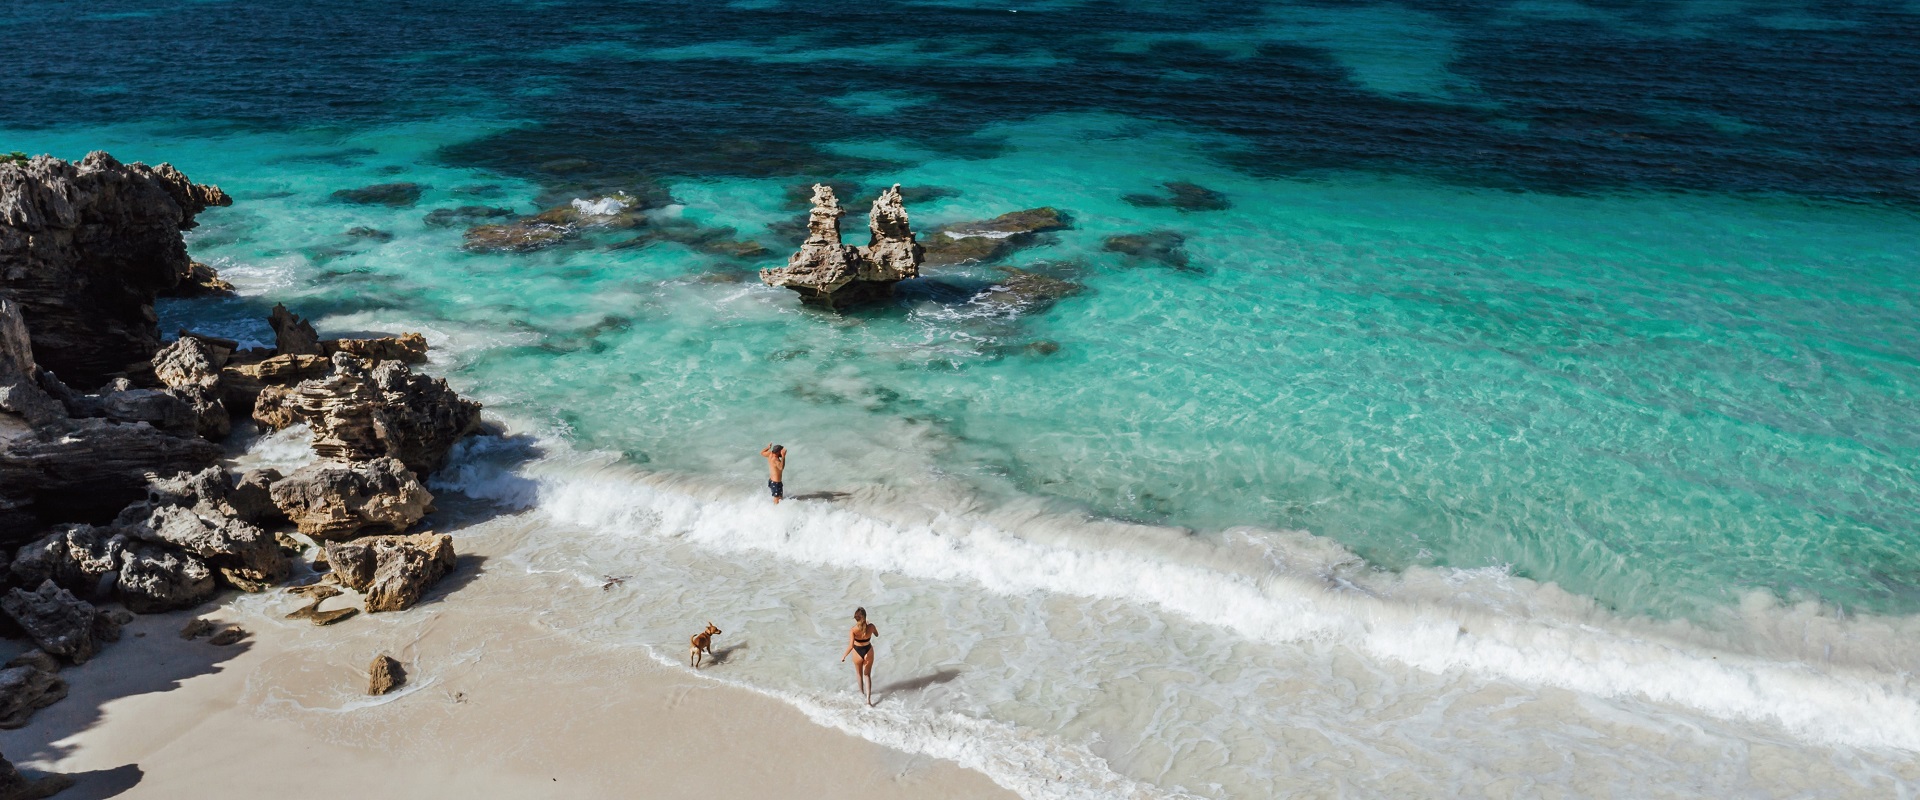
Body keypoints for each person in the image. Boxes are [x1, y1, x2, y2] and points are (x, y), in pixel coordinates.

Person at [839, 607, 878, 706]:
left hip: (857, 652)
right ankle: (868, 700)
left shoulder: (853, 630)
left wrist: (844, 656)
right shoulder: (871, 626)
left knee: (859, 674)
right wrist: (869, 625)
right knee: (867, 675)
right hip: (868, 651)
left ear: (856, 618)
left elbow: (851, 646)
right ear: (865, 617)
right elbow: (876, 635)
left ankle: (862, 694)